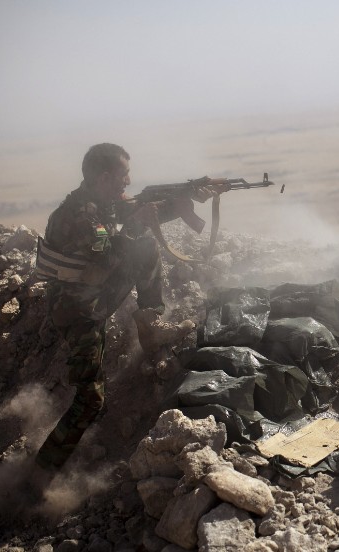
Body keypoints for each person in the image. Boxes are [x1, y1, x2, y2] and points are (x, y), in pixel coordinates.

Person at [32, 143, 215, 473]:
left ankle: (150, 322)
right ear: (104, 177)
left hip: (87, 299)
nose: (127, 182)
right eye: (123, 176)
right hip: (80, 312)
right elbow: (108, 260)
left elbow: (135, 210)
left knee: (143, 245)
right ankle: (37, 476)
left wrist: (183, 199)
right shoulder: (79, 217)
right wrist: (135, 225)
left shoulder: (97, 203)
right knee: (90, 401)